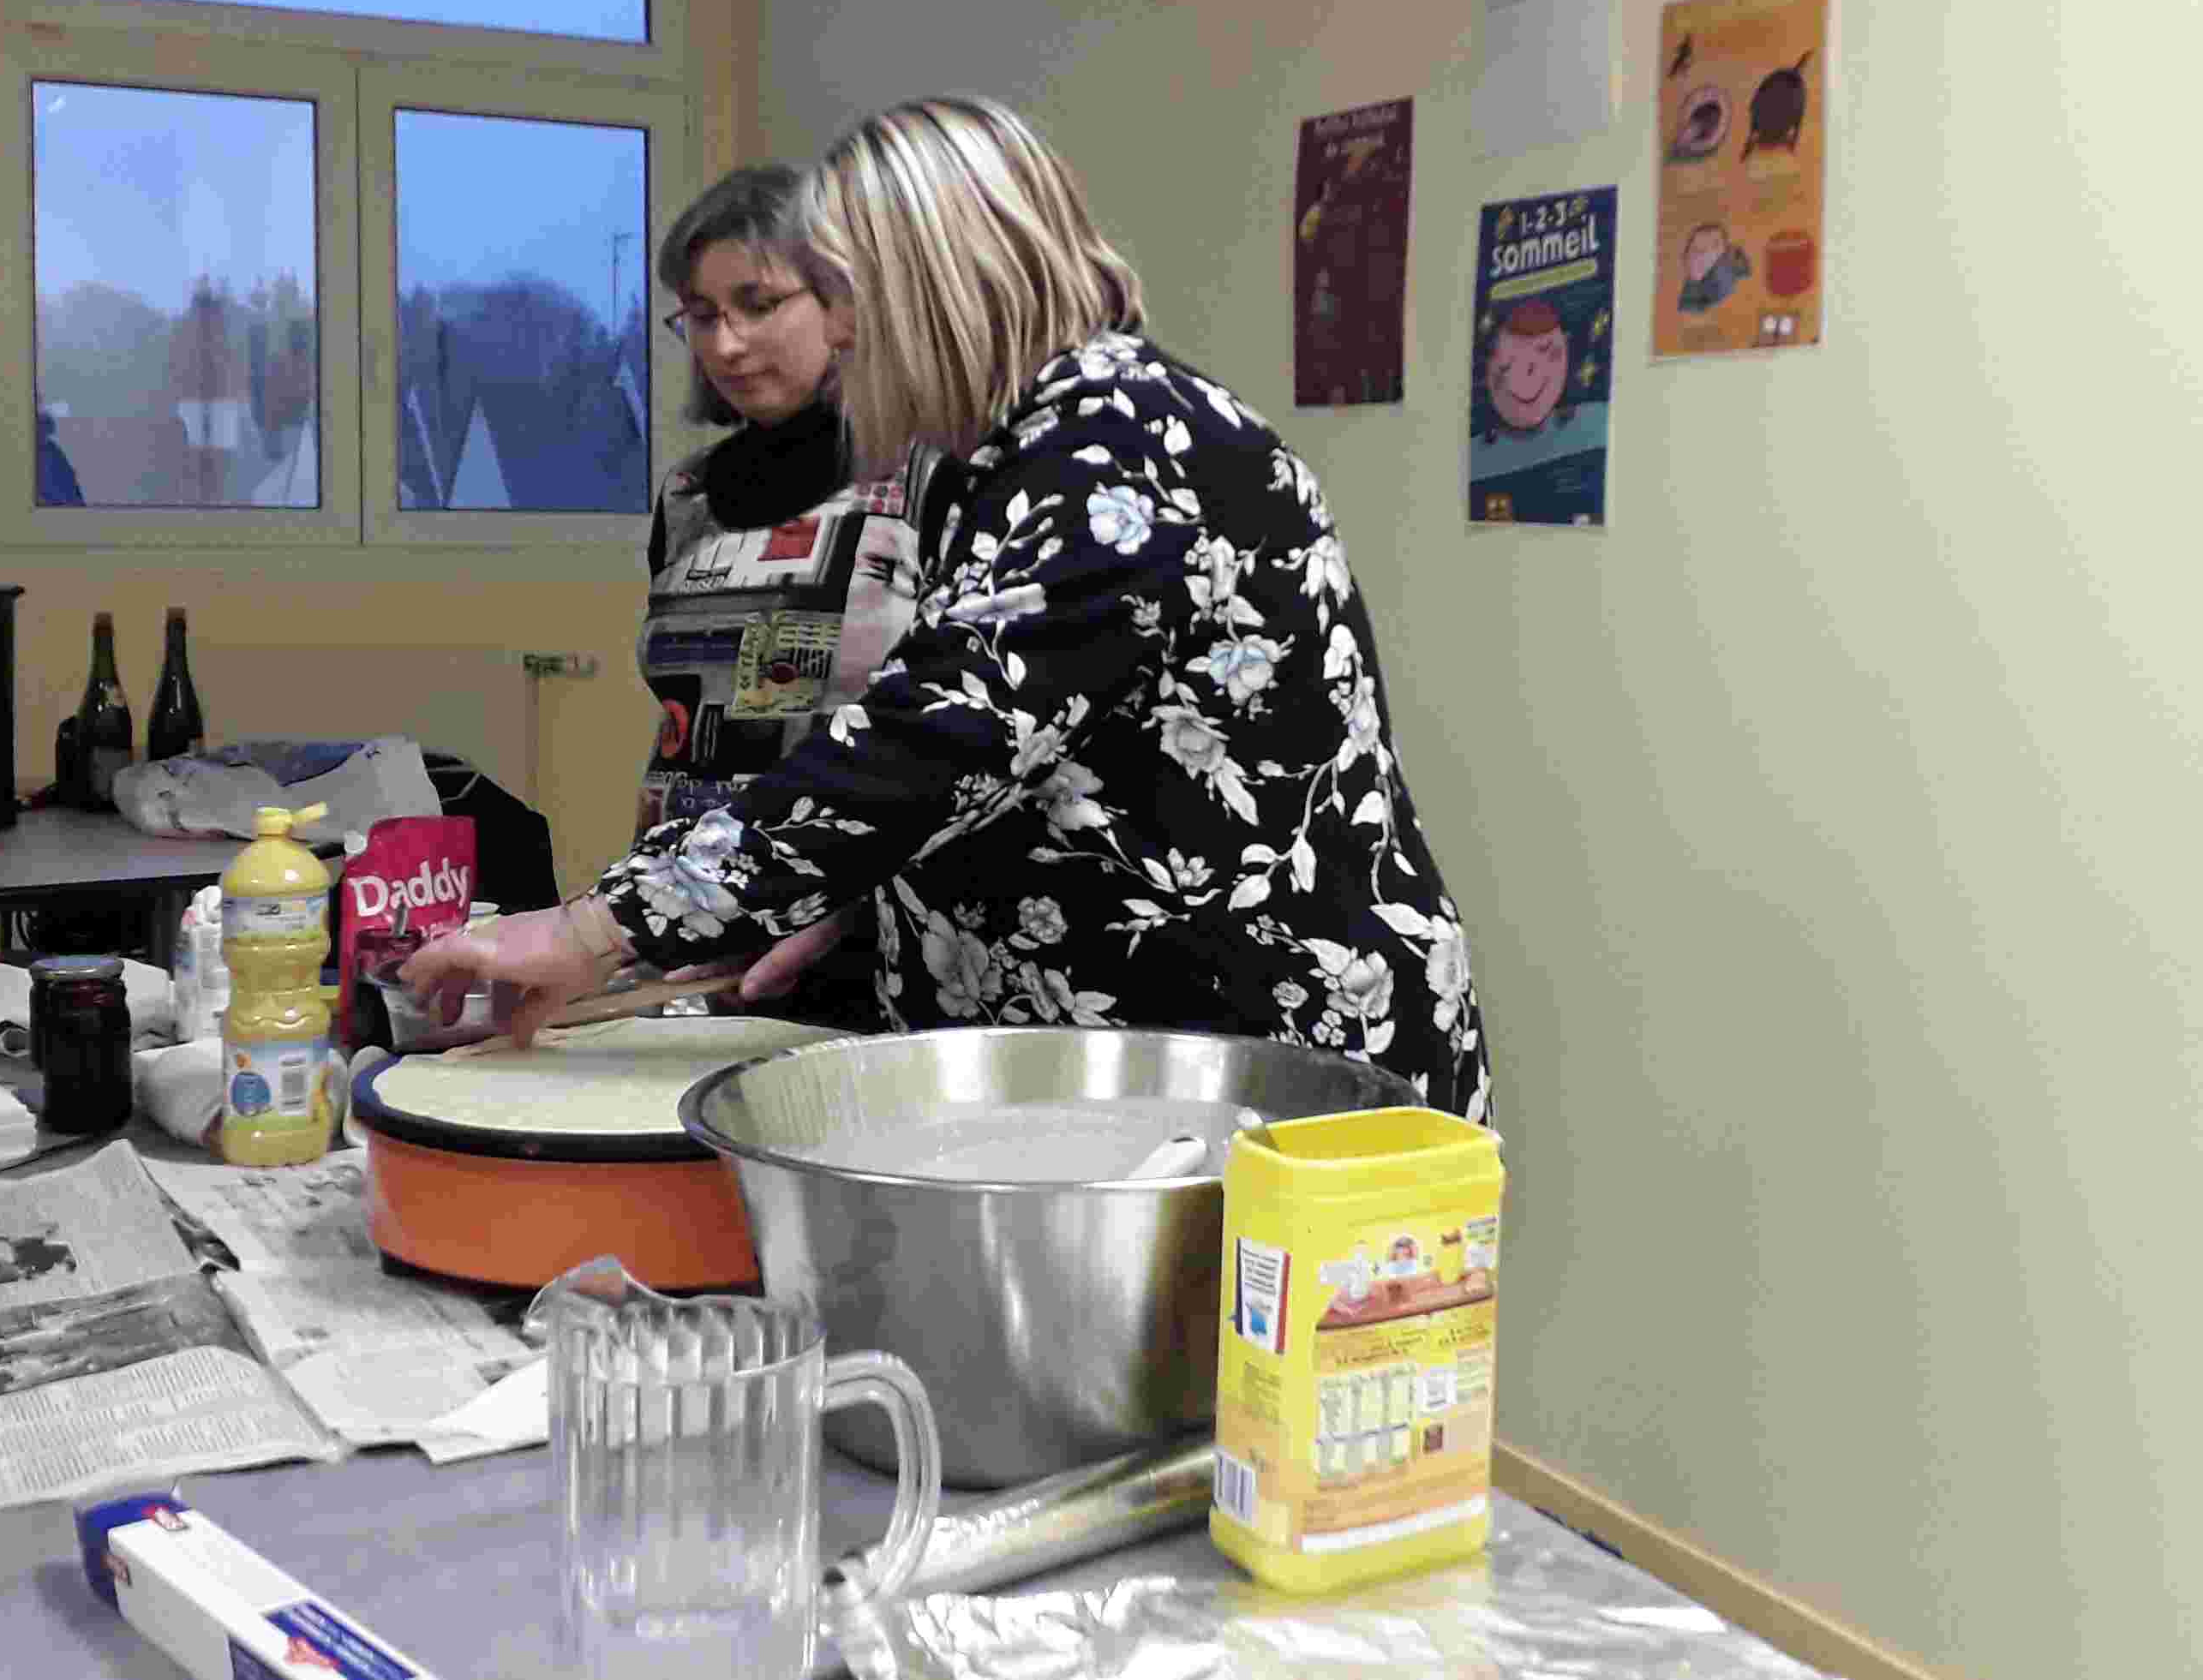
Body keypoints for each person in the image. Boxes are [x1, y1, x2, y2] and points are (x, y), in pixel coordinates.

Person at [412, 97, 1488, 1119]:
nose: (835, 338)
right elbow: (1027, 767)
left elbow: (932, 743)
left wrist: (591, 931)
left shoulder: (1114, 442)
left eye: (838, 297)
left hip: (1265, 1069)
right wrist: (862, 902)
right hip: (1139, 1063)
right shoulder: (1021, 452)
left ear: (928, 286)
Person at [627, 164, 941, 1030]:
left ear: (844, 301)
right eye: (701, 315)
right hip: (697, 921)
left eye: (758, 305)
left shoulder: (924, 473)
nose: (726, 344)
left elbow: (965, 732)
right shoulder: (687, 495)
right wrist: (636, 901)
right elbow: (679, 725)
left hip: (870, 934)